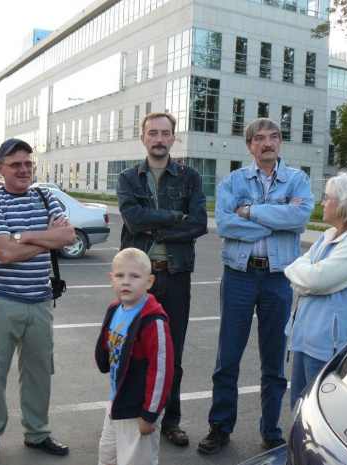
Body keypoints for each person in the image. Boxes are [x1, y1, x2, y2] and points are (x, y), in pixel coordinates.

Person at [198, 118, 314, 455]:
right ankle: (220, 427)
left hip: (279, 278)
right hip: (239, 275)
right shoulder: (233, 181)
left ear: (280, 143)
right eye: (259, 139)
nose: (267, 143)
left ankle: (271, 430)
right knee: (228, 357)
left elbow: (300, 219)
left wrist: (249, 212)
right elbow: (224, 224)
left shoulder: (297, 180)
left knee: (274, 361)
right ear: (249, 146)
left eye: (274, 137)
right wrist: (274, 219)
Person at [0, 138, 75, 465]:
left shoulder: (45, 197)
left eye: (28, 163)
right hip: (2, 301)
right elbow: (4, 252)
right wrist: (45, 238)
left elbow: (68, 237)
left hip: (41, 301)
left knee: (39, 372)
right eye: (15, 164)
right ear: (0, 168)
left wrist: (24, 236)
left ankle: (37, 433)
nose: (24, 169)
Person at [117, 111, 208, 447]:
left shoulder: (189, 177)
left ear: (173, 138)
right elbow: (133, 218)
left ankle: (171, 420)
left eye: (164, 133)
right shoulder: (129, 177)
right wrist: (172, 217)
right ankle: (129, 414)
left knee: (173, 354)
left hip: (175, 276)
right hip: (137, 279)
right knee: (131, 350)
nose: (158, 138)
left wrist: (156, 227)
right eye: (152, 133)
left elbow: (198, 223)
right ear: (143, 138)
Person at [285, 174, 347, 408]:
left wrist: (304, 278)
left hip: (329, 345)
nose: (323, 203)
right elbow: (297, 271)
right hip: (307, 338)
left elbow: (313, 279)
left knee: (318, 410)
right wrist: (304, 278)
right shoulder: (328, 236)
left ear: (346, 204)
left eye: (327, 198)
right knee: (299, 406)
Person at [95, 248, 174, 465]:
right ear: (111, 279)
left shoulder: (153, 321)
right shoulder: (114, 309)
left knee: (135, 460)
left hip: (139, 408)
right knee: (107, 456)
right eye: (120, 276)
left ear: (149, 282)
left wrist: (150, 415)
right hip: (117, 402)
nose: (126, 282)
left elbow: (161, 371)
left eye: (134, 277)